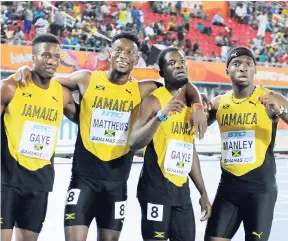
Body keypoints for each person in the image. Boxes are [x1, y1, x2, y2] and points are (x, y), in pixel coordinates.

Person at [15, 32, 207, 241]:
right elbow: (46, 80)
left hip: (116, 184)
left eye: (130, 52)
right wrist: (27, 71)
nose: (123, 55)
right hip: (83, 180)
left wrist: (196, 102)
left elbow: (181, 84)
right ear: (109, 54)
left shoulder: (144, 88)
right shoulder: (86, 78)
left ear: (136, 59)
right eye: (118, 50)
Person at [204, 46, 288, 241]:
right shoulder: (219, 103)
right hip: (228, 187)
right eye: (236, 64)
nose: (243, 68)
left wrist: (281, 112)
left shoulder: (271, 98)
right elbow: (192, 127)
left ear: (255, 70)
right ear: (227, 70)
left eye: (249, 64)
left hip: (260, 190)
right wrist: (198, 105)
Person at [129, 47, 212, 241]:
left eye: (182, 62)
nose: (179, 66)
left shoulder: (192, 105)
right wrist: (161, 116)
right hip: (155, 190)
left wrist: (203, 191)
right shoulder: (154, 101)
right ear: (162, 73)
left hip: (180, 191)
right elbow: (133, 142)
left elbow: (189, 150)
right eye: (172, 63)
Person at [1, 34, 77, 241]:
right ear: (33, 58)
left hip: (39, 181)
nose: (51, 61)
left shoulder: (62, 94)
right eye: (45, 55)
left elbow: (87, 121)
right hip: (6, 180)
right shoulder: (11, 87)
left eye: (56, 56)